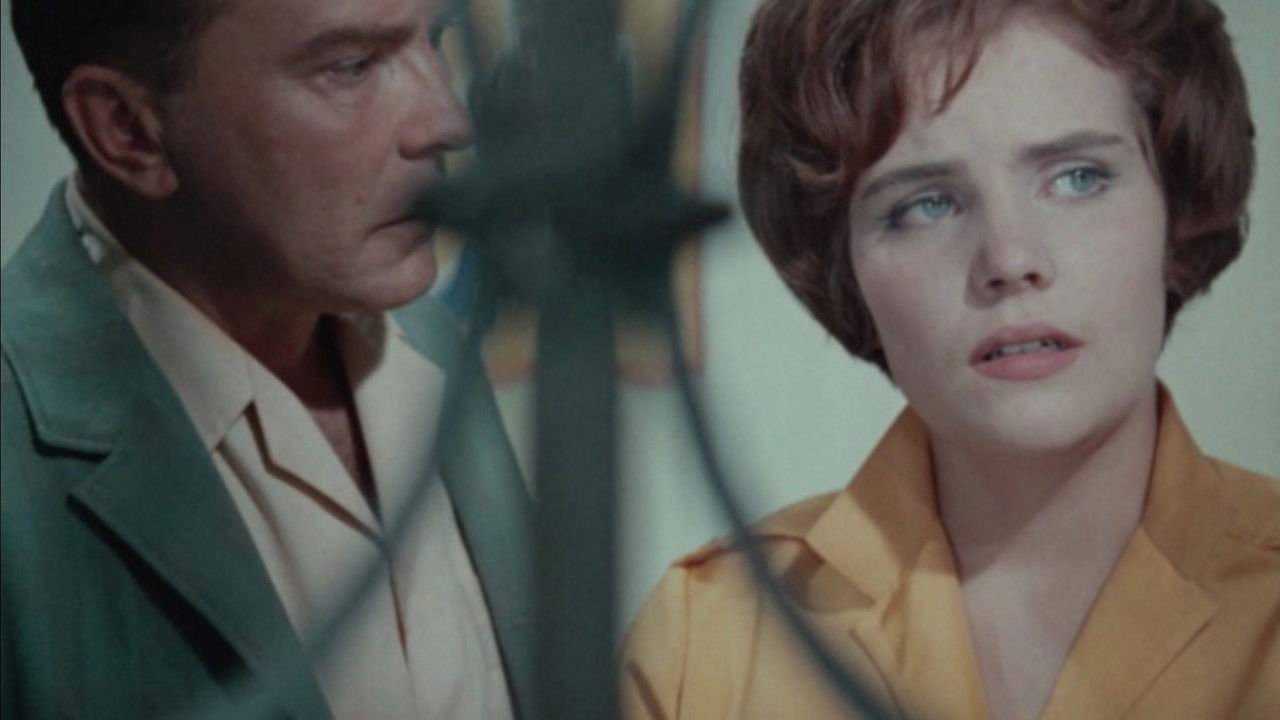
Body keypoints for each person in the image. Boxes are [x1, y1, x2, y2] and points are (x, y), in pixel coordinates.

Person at [621, 0, 1278, 718]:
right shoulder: (706, 638)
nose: (1010, 259)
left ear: (1175, 209)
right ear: (845, 269)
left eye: (1077, 177)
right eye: (926, 205)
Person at [1, 0, 532, 718]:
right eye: (351, 67)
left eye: (433, 39)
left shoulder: (428, 341)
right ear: (127, 128)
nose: (448, 120)